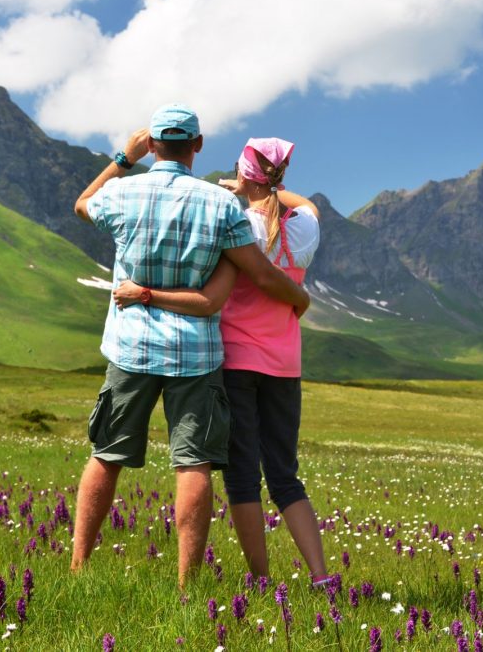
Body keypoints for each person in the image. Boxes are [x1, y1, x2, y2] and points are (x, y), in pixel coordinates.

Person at [71, 105, 310, 589]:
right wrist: (298, 299)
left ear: (153, 145)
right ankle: (187, 584)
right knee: (193, 463)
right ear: (198, 146)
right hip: (196, 354)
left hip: (131, 349)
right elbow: (260, 272)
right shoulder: (220, 206)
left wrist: (123, 157)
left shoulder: (123, 191)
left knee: (106, 455)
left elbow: (83, 204)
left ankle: (77, 566)